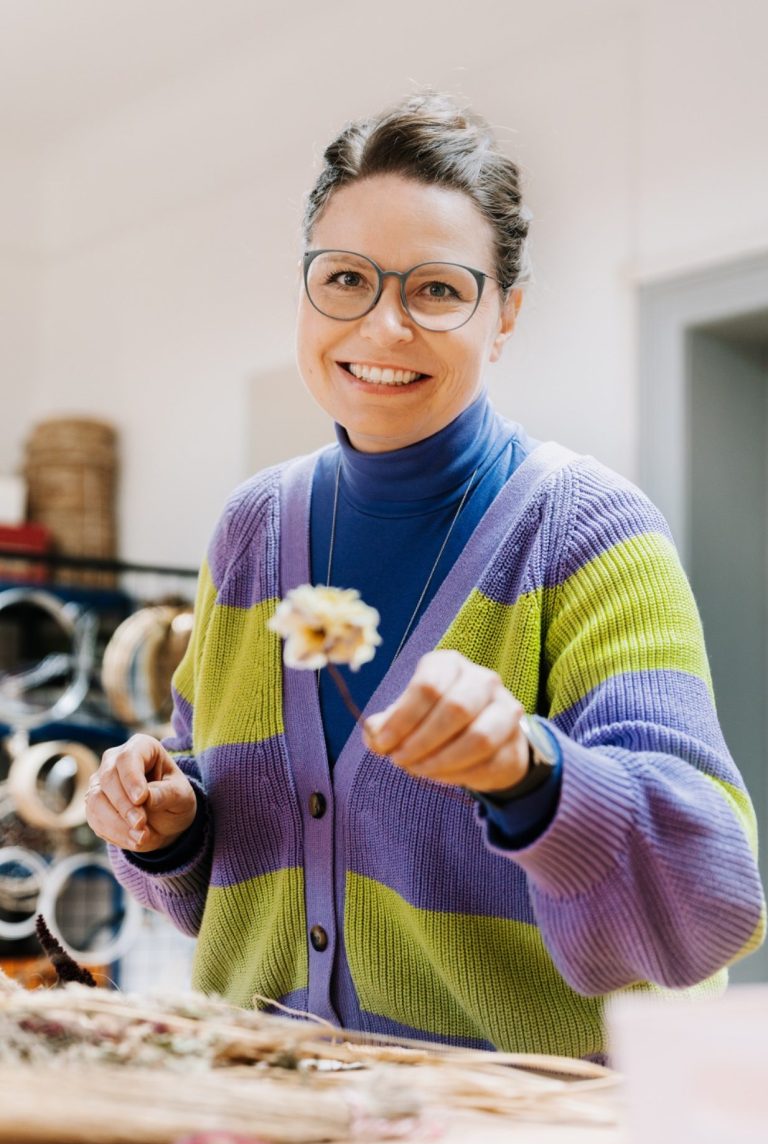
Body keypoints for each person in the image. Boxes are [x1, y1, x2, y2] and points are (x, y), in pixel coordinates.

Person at [87, 94, 765, 1060]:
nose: (385, 325)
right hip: (263, 1119)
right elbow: (221, 884)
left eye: (438, 289)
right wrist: (169, 824)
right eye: (347, 278)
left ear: (505, 315)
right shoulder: (251, 532)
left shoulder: (586, 534)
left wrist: (532, 776)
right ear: (306, 291)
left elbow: (706, 907)